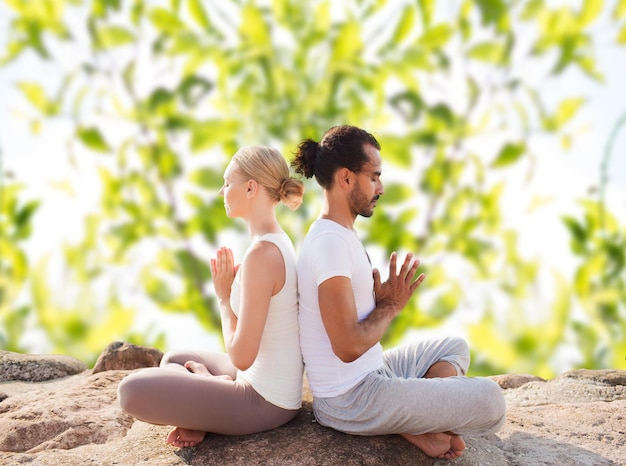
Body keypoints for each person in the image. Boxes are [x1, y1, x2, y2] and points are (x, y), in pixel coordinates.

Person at [291, 125, 506, 460]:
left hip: (376, 372)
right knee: (492, 399)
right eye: (374, 176)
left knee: (454, 347)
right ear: (346, 178)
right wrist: (389, 307)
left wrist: (373, 305)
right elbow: (347, 346)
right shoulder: (329, 243)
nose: (381, 187)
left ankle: (416, 422)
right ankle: (415, 420)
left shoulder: (340, 233)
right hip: (350, 398)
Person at [118, 146, 305, 448]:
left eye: (227, 182)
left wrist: (223, 297)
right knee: (176, 358)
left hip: (263, 401)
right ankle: (205, 404)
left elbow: (242, 356)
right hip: (256, 382)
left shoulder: (262, 255)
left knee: (130, 391)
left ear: (249, 188)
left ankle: (206, 405)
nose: (221, 191)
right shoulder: (275, 242)